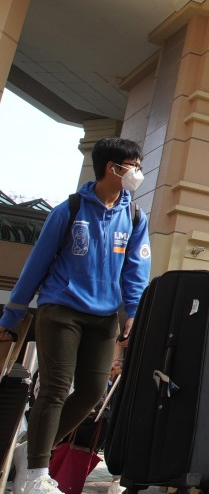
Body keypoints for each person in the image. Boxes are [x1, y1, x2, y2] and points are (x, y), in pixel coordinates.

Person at [0, 138, 151, 494]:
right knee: (54, 389)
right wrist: (11, 317)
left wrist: (133, 314)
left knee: (91, 392)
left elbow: (136, 271)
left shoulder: (134, 217)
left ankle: (31, 448)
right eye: (132, 165)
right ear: (112, 168)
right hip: (61, 310)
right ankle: (37, 475)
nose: (138, 173)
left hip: (104, 319)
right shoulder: (69, 210)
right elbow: (35, 266)